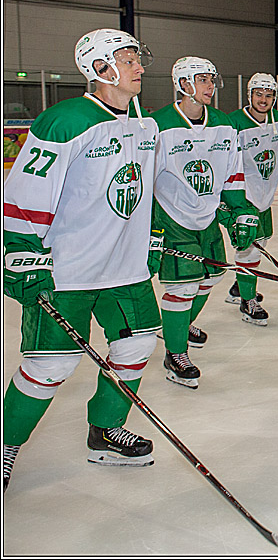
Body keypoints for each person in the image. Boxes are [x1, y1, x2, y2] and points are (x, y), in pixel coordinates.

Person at [3, 28, 160, 489]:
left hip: (124, 270)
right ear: (100, 68)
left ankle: (104, 431)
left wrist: (148, 236)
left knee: (135, 347)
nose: (139, 68)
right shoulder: (64, 121)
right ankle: (6, 443)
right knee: (50, 365)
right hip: (67, 269)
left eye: (137, 59)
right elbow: (27, 197)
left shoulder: (144, 124)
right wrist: (18, 250)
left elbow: (141, 192)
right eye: (129, 60)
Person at [151, 57, 260, 389]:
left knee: (211, 277)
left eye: (212, 80)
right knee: (182, 288)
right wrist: (147, 230)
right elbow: (144, 180)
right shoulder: (158, 125)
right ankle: (175, 352)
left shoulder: (224, 123)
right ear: (183, 84)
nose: (211, 86)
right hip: (172, 218)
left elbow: (233, 175)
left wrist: (239, 210)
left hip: (207, 216)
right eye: (203, 80)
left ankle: (177, 325)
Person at [222, 73, 278, 323]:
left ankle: (241, 286)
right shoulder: (233, 123)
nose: (263, 99)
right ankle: (247, 303)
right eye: (259, 94)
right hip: (242, 195)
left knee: (261, 242)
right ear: (249, 95)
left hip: (264, 195)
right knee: (249, 247)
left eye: (269, 95)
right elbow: (225, 163)